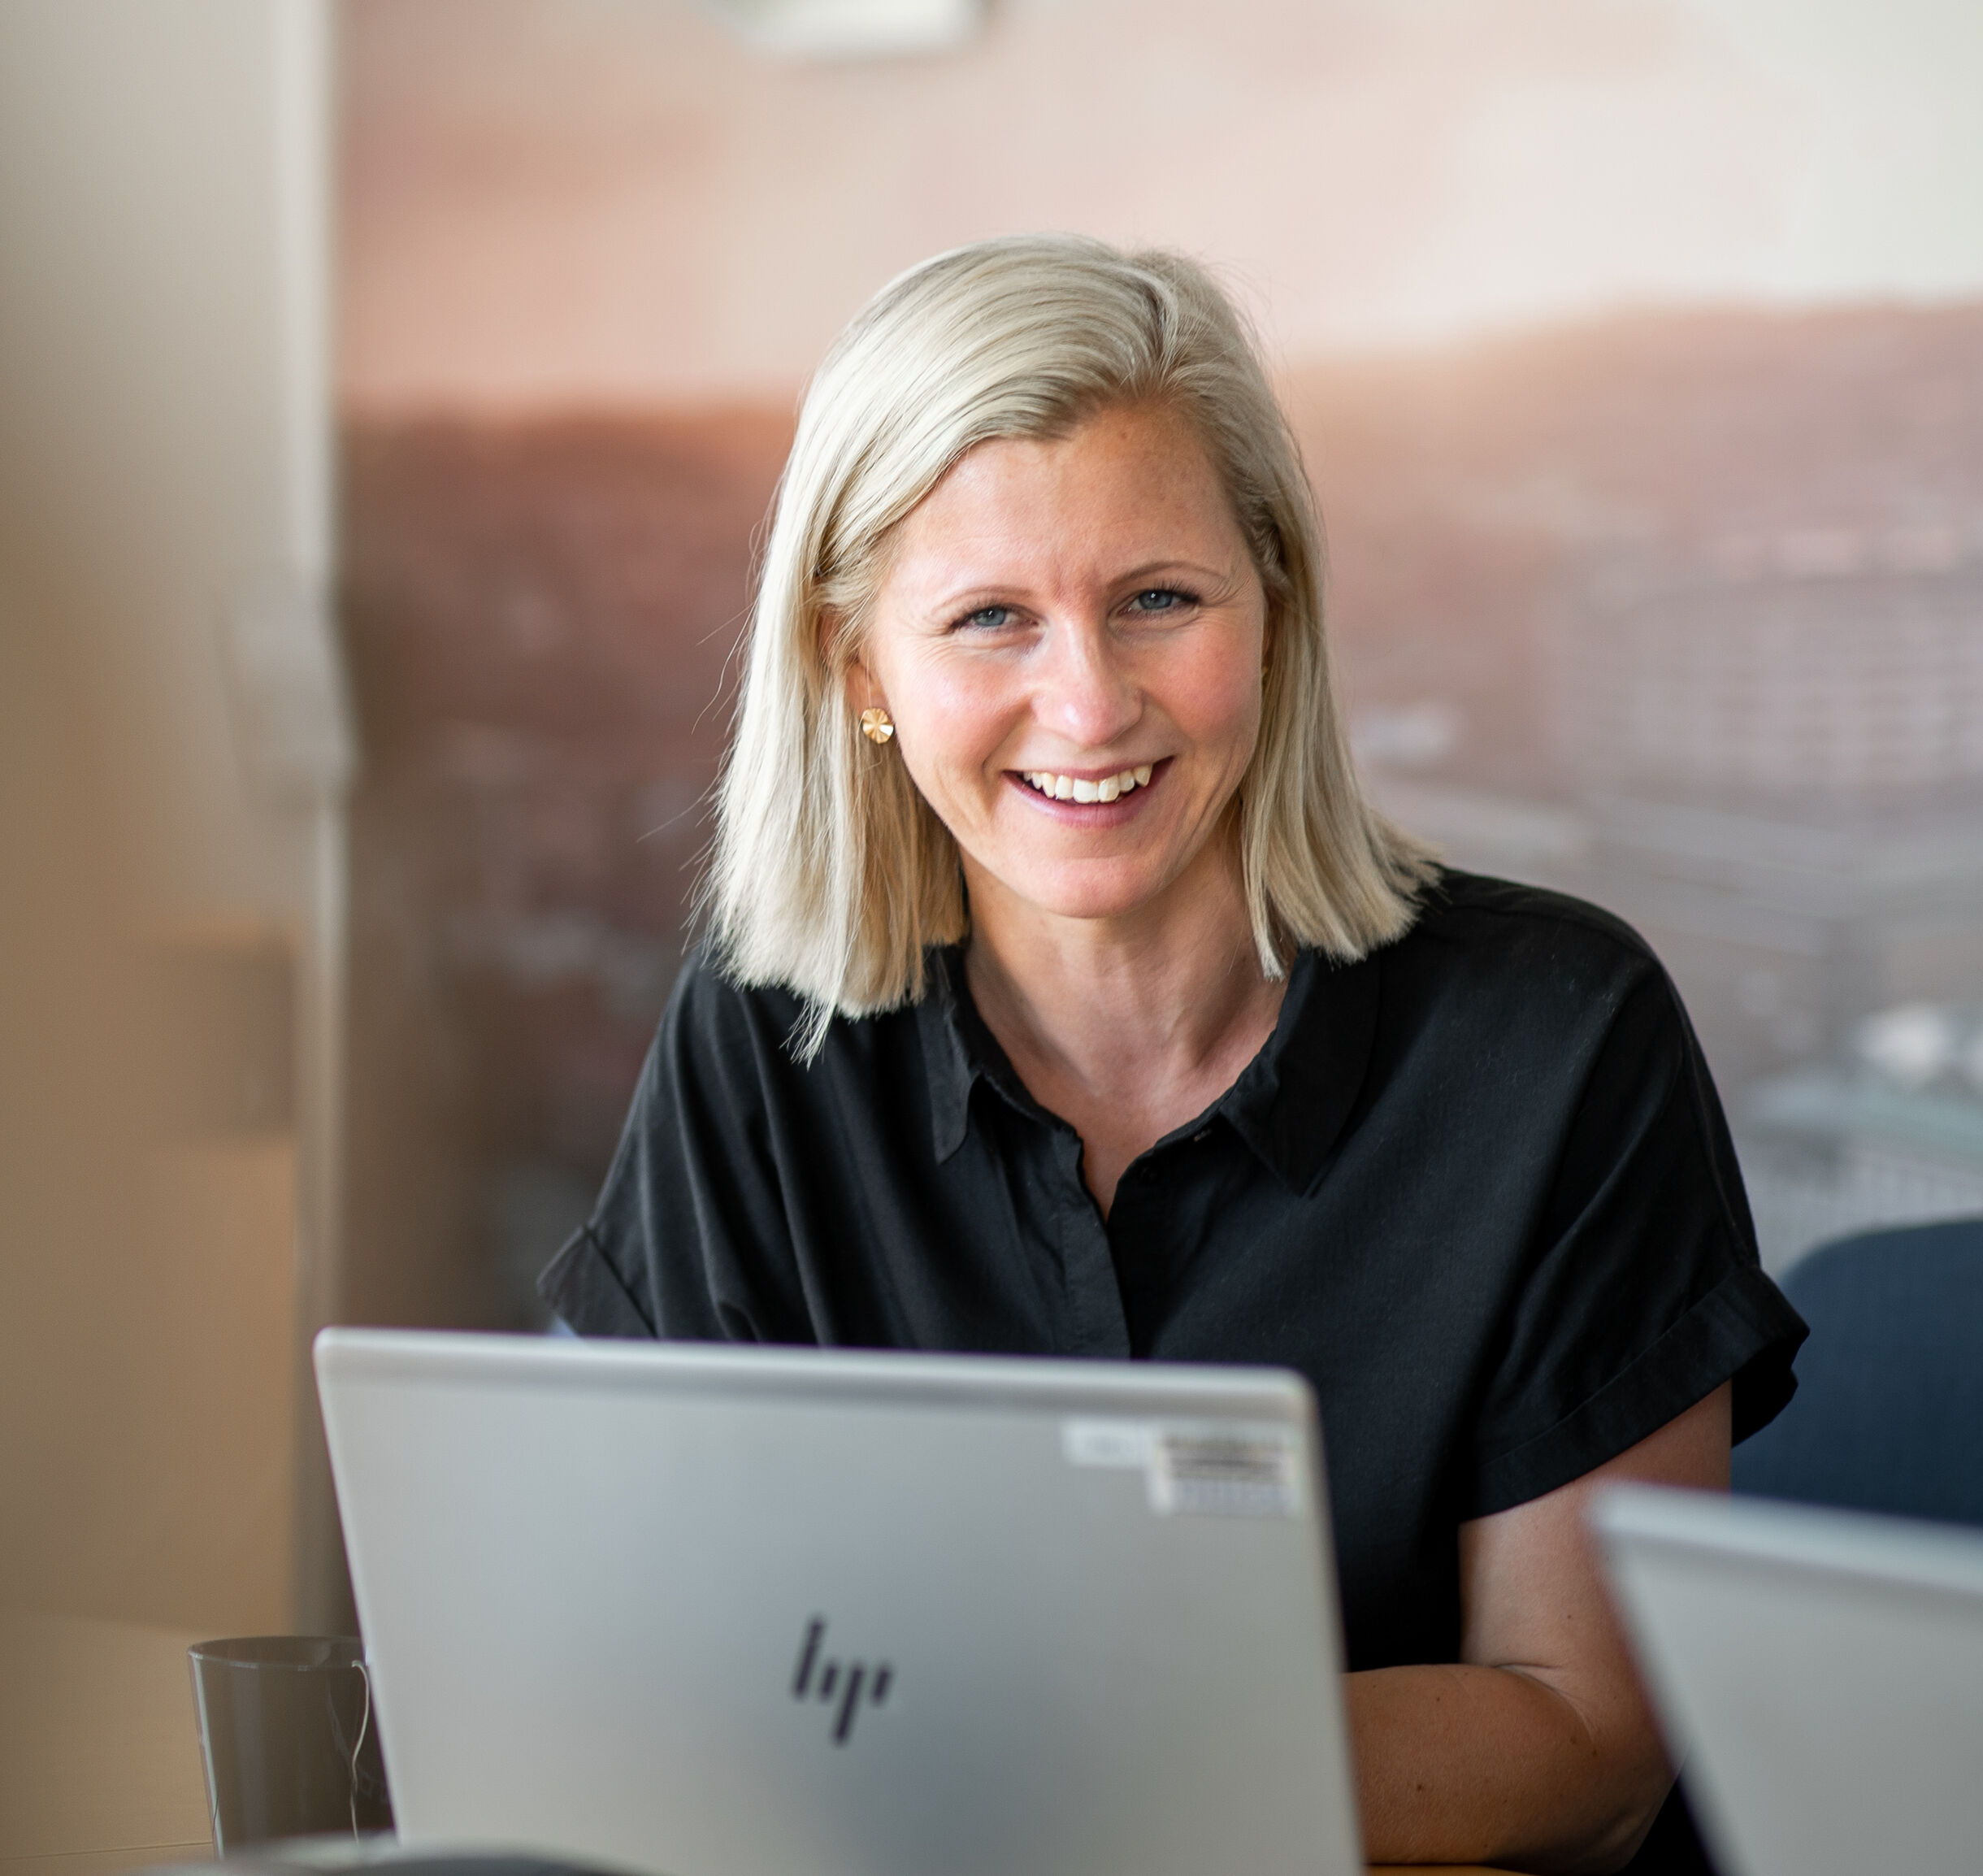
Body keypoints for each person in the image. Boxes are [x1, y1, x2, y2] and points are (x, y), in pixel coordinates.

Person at [540, 235, 1805, 1876]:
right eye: (990, 618)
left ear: (1272, 607)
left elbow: (1587, 1747)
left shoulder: (1561, 1035)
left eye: (1157, 600)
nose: (1087, 704)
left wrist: (1065, 1766)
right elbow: (640, 1667)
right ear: (860, 671)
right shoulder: (764, 1041)